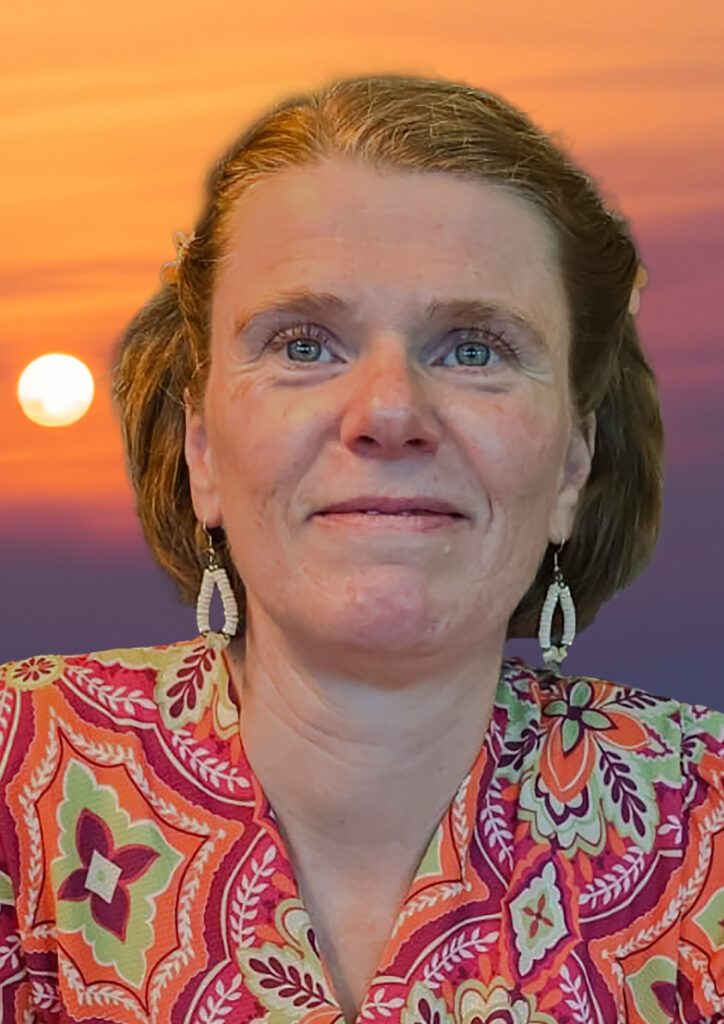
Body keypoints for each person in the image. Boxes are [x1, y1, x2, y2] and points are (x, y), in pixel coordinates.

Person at [1, 73, 722, 1024]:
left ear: (570, 472)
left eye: (474, 349)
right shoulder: (16, 775)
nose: (387, 412)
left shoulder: (709, 817)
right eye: (304, 345)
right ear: (202, 452)